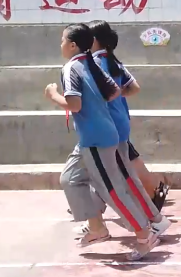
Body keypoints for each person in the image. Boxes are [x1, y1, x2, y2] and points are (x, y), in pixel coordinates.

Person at [50, 23, 159, 259]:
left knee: (112, 191)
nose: (60, 45)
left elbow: (74, 105)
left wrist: (53, 95)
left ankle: (144, 234)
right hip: (92, 138)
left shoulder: (71, 68)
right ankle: (97, 227)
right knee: (70, 179)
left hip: (97, 139)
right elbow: (114, 92)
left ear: (72, 45)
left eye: (62, 40)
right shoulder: (90, 63)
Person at [86, 20, 171, 237]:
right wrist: (116, 97)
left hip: (108, 127)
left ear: (93, 40)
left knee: (122, 177)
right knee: (105, 174)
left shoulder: (95, 63)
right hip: (119, 122)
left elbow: (100, 93)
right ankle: (95, 219)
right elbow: (134, 88)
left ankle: (152, 216)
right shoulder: (113, 61)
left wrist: (108, 98)